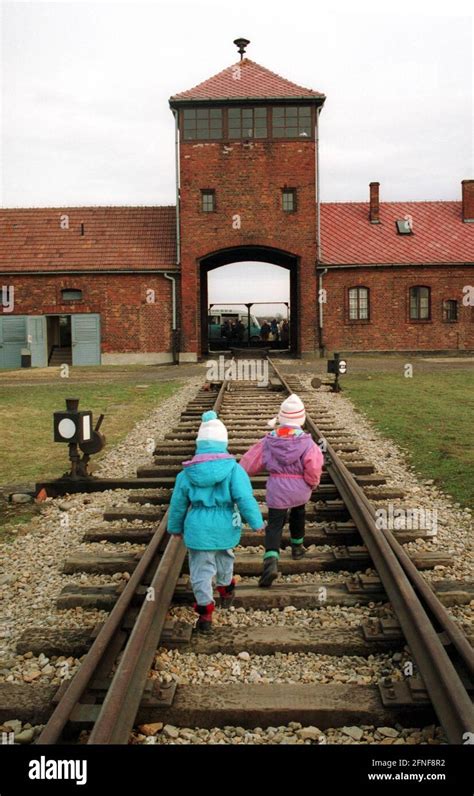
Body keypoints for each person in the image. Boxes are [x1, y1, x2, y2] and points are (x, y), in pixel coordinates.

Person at [167, 410, 264, 632]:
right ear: (224, 443)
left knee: (200, 570)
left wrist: (175, 527)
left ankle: (205, 614)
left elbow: (179, 504)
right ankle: (225, 588)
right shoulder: (234, 469)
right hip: (226, 523)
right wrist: (256, 522)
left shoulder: (187, 473)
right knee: (225, 554)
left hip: (198, 526)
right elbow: (244, 498)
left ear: (200, 444)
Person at [239, 394, 323, 587]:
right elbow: (314, 468)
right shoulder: (308, 444)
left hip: (277, 489)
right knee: (298, 514)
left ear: (282, 418)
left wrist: (239, 475)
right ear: (301, 419)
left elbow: (250, 462)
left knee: (274, 524)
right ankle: (297, 547)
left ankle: (270, 563)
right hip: (300, 489)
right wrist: (312, 484)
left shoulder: (269, 441)